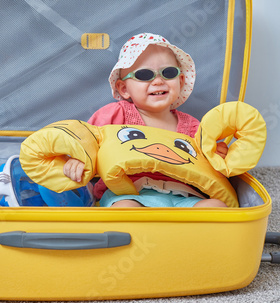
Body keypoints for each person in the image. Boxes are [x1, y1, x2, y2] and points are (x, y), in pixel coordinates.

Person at [63, 33, 228, 208]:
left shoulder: (195, 127)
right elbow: (86, 139)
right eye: (144, 75)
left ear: (180, 81)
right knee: (125, 209)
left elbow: (209, 166)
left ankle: (185, 234)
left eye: (168, 72)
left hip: (184, 197)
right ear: (124, 88)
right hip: (127, 193)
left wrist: (219, 156)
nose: (158, 81)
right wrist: (78, 158)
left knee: (216, 207)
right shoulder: (116, 115)